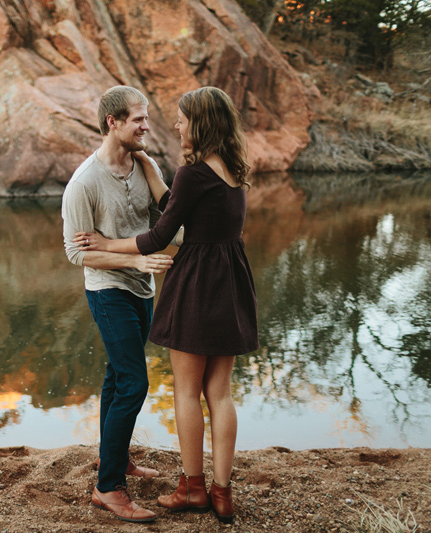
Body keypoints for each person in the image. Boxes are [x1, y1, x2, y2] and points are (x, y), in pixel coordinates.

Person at [75, 86, 259, 525]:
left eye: (181, 118)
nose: (174, 125)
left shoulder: (193, 173)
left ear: (200, 124)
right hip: (231, 282)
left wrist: (107, 243)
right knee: (220, 392)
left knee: (185, 391)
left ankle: (192, 488)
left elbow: (160, 236)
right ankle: (222, 491)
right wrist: (155, 172)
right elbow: (181, 208)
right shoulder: (232, 167)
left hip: (197, 286)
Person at [61, 85, 182, 523]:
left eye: (146, 118)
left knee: (116, 377)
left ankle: (114, 457)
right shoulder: (83, 184)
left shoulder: (142, 165)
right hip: (107, 289)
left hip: (141, 288)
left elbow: (169, 220)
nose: (146, 126)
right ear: (112, 122)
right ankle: (109, 487)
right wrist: (133, 255)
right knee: (134, 383)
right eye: (138, 119)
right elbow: (77, 253)